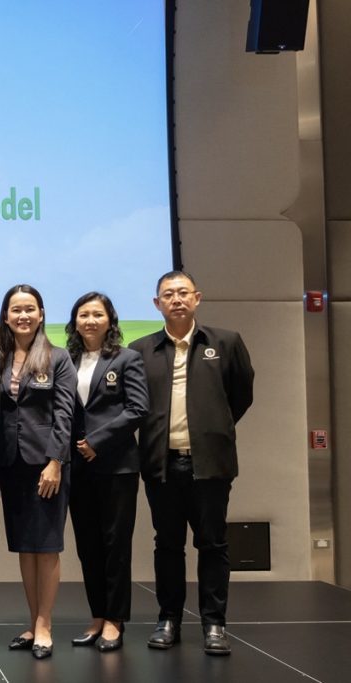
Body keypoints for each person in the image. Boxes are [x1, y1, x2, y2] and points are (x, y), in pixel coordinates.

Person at [130, 270, 254, 656]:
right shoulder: (140, 350)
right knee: (167, 545)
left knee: (213, 544)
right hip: (161, 464)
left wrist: (211, 428)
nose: (177, 300)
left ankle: (214, 623)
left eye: (183, 292)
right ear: (157, 304)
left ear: (197, 298)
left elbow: (241, 396)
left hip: (210, 463)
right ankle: (168, 619)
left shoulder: (226, 342)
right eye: (168, 294)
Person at [0, 284, 76, 660]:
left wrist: (56, 461)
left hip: (46, 465)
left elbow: (64, 414)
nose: (23, 315)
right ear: (6, 316)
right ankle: (32, 620)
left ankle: (45, 624)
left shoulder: (58, 358)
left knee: (47, 547)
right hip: (11, 464)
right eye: (16, 309)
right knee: (25, 547)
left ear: (41, 314)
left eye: (29, 309)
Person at [65, 292, 149, 652]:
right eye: (83, 314)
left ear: (110, 320)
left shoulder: (127, 358)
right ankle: (97, 616)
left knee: (116, 544)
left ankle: (115, 620)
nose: (90, 321)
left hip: (117, 466)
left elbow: (138, 409)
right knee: (88, 546)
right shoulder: (66, 360)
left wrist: (97, 441)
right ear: (75, 321)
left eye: (97, 314)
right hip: (77, 465)